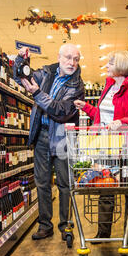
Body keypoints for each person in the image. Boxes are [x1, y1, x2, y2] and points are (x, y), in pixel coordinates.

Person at [74, 50, 128, 244]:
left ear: (121, 67)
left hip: (126, 148)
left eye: (110, 63)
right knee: (105, 187)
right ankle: (103, 232)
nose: (106, 66)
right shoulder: (108, 87)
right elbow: (103, 118)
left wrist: (123, 121)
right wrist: (86, 107)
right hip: (105, 146)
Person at [13, 44, 84, 241]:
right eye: (68, 58)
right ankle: (45, 225)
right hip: (42, 136)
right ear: (59, 57)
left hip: (63, 138)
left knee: (64, 183)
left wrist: (37, 94)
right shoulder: (45, 73)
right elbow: (20, 78)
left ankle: (65, 225)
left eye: (76, 59)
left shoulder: (77, 86)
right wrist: (21, 61)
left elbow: (60, 110)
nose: (72, 63)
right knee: (42, 183)